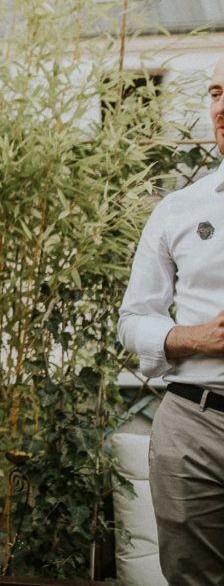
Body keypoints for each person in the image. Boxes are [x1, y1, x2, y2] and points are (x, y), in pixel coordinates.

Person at [119, 56, 224, 584]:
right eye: (215, 92)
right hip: (193, 426)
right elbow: (134, 321)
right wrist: (194, 336)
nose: (221, 107)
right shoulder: (178, 209)